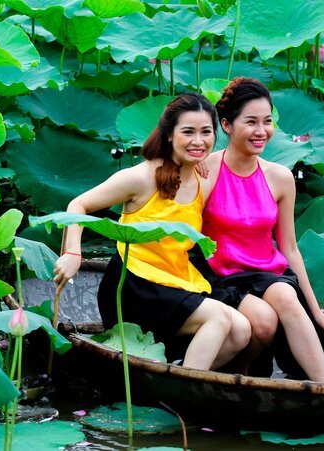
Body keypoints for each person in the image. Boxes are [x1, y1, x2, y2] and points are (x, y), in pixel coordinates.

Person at [53, 93, 251, 371]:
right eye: (188, 132)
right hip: (133, 285)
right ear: (169, 134)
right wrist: (73, 251)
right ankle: (183, 395)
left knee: (241, 329)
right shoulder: (142, 177)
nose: (198, 141)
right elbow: (79, 204)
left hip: (175, 280)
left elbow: (239, 157)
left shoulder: (202, 177)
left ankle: (177, 376)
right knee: (218, 318)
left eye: (206, 132)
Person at [199, 77, 324, 382]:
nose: (261, 131)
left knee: (287, 297)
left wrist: (317, 313)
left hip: (266, 273)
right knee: (263, 324)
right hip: (218, 275)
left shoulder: (280, 177)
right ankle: (237, 375)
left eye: (267, 121)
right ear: (226, 125)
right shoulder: (204, 170)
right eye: (251, 122)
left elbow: (289, 248)